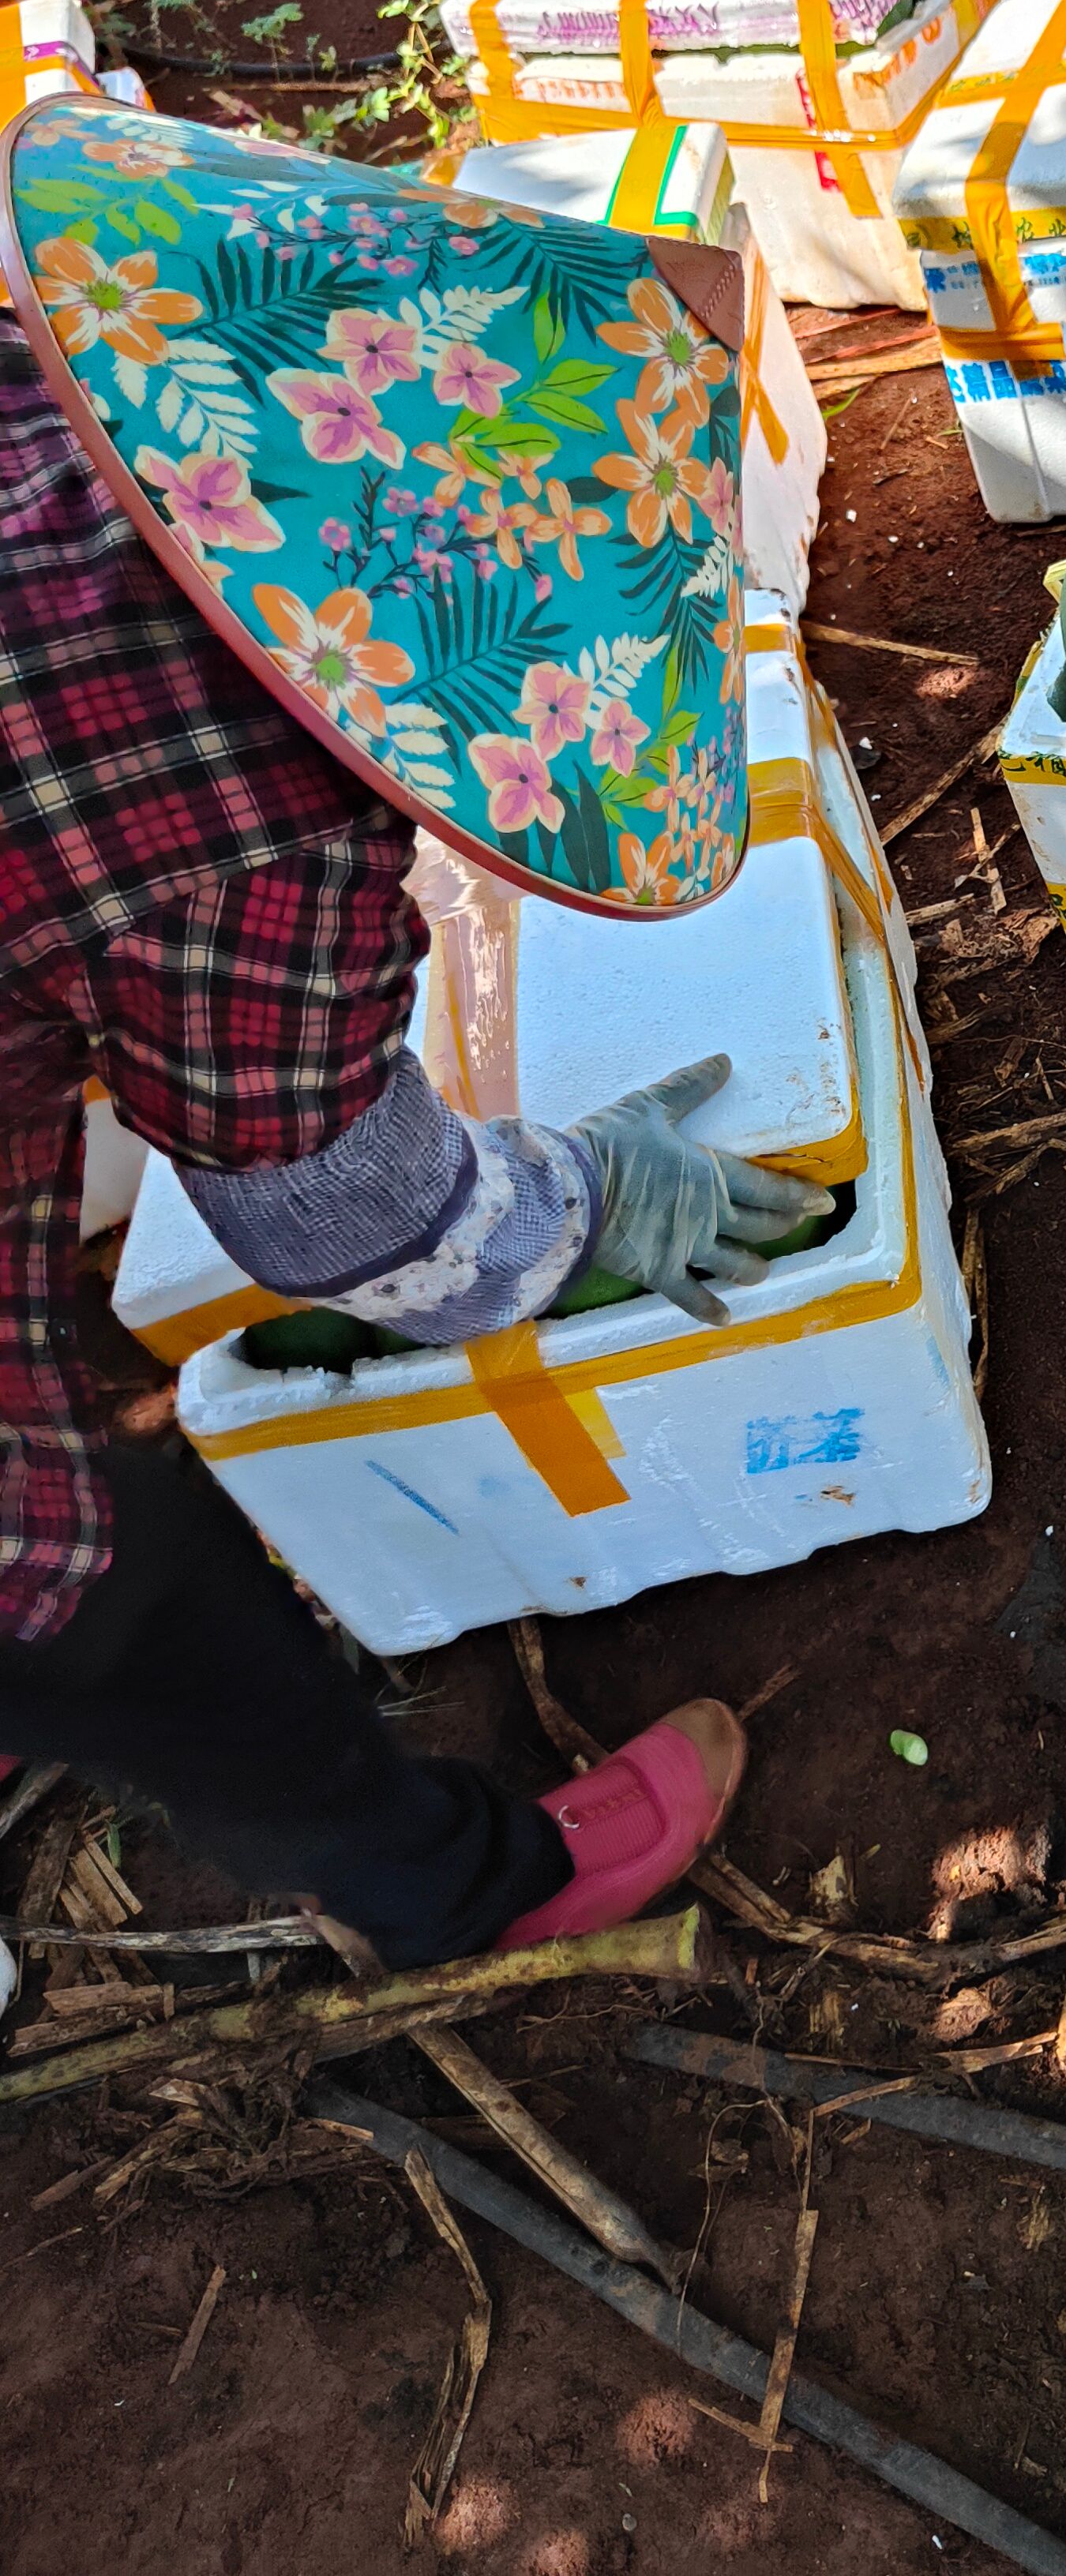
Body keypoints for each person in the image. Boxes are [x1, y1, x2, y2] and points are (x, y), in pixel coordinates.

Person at [0, 108, 816, 1972]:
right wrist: (593, 1187)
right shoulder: (250, 811)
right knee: (119, 1591)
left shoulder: (55, 393)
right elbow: (350, 1229)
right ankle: (458, 1885)